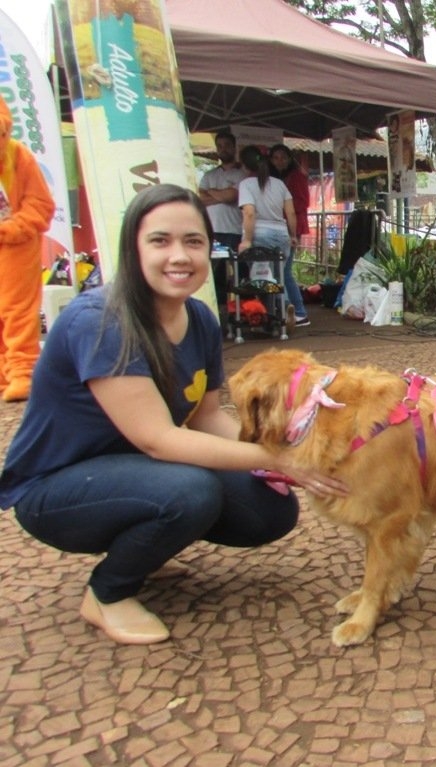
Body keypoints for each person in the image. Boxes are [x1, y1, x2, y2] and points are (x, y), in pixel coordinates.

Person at [0, 184, 347, 645]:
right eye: (160, 241)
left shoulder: (199, 318)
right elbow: (158, 440)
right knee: (189, 491)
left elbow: (207, 417)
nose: (179, 256)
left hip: (134, 469)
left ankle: (145, 548)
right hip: (56, 488)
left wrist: (276, 458)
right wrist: (283, 459)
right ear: (133, 248)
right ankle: (107, 593)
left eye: (193, 241)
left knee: (268, 507)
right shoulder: (102, 322)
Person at [0, 95, 55, 402]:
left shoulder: (19, 156)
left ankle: (23, 371)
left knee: (17, 310)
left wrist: (13, 228)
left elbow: (40, 204)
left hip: (16, 245)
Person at [238, 146, 309, 327]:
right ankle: (287, 310)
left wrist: (246, 240)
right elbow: (290, 213)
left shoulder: (246, 184)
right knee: (280, 276)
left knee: (262, 277)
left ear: (245, 166)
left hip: (259, 233)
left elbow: (249, 213)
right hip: (281, 233)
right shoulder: (279, 184)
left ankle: (277, 312)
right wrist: (292, 235)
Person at [198, 130, 245, 309]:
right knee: (215, 273)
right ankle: (217, 311)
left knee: (239, 273)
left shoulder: (241, 174)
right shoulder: (209, 175)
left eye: (226, 146)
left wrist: (211, 192)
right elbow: (199, 198)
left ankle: (240, 311)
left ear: (234, 148)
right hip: (212, 230)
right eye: (220, 146)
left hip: (235, 231)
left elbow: (232, 197)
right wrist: (222, 195)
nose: (223, 149)